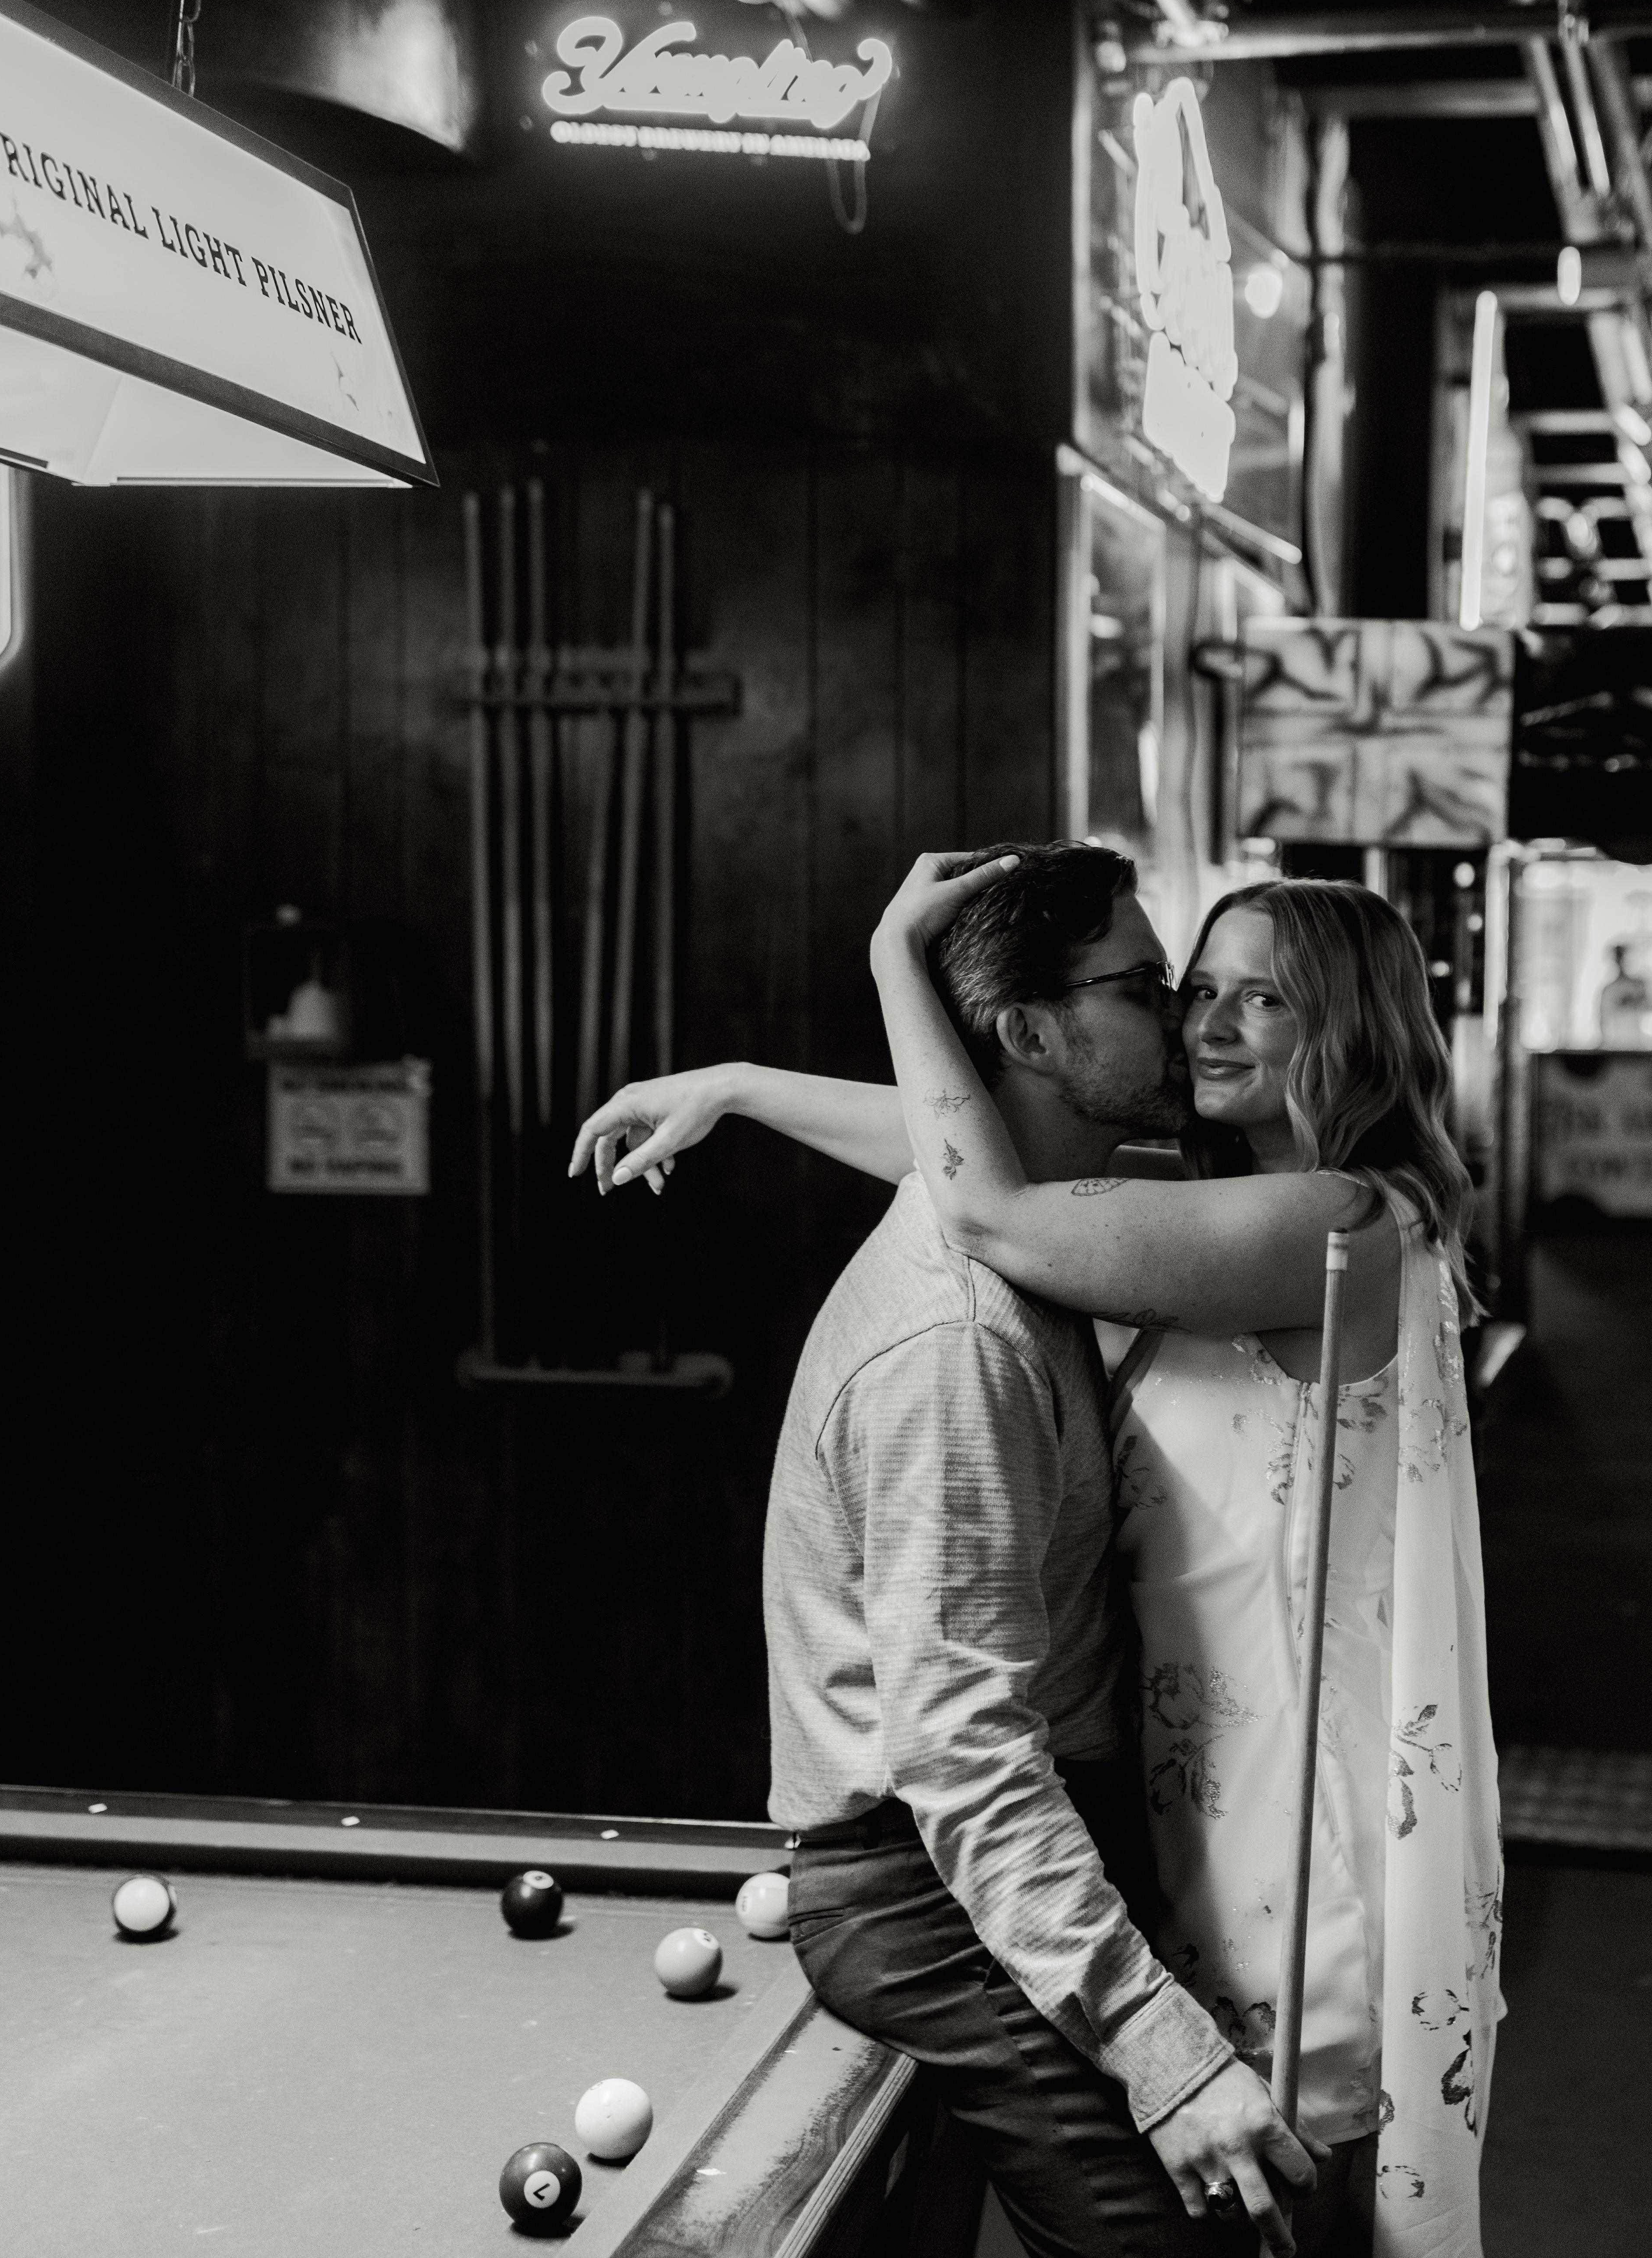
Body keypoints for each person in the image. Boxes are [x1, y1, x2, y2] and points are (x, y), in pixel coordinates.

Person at [575, 855, 1506, 2258]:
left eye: (1269, 997)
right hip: (1174, 1787)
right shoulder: (1184, 1202)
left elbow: (993, 1202)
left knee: (1315, 2203)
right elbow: (976, 1154)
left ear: (1360, 1026)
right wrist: (745, 1087)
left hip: (1296, 1788)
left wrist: (895, 960)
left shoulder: (1343, 1224)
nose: (1208, 1019)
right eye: (1188, 989)